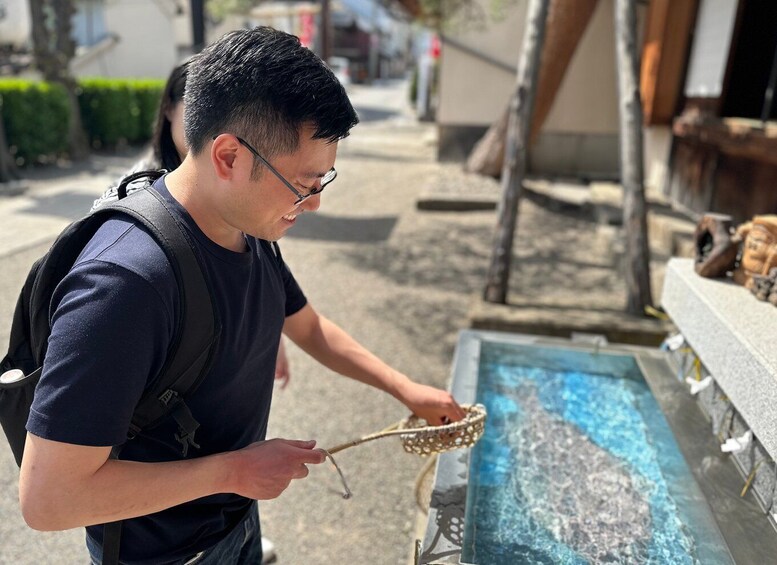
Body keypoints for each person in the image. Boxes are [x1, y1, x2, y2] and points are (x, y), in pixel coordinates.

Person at [19, 26, 464, 565]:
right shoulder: (126, 283)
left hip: (235, 521)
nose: (314, 202)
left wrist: (405, 389)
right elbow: (49, 499)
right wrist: (234, 470)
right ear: (228, 156)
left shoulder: (249, 224)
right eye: (305, 181)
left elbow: (307, 326)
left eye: (324, 180)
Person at [90, 61, 292, 389]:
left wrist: (269, 329)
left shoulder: (232, 194)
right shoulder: (139, 194)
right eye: (195, 106)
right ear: (169, 110)